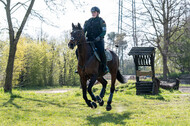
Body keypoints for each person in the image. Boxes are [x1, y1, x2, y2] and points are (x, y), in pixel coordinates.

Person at [75, 6, 108, 74]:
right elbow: (83, 31)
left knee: (101, 52)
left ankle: (104, 67)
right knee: (77, 51)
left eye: (94, 12)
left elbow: (104, 31)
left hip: (98, 41)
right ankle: (80, 67)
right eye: (92, 12)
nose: (93, 13)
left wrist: (99, 37)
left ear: (98, 13)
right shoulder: (87, 22)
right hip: (89, 41)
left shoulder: (101, 21)